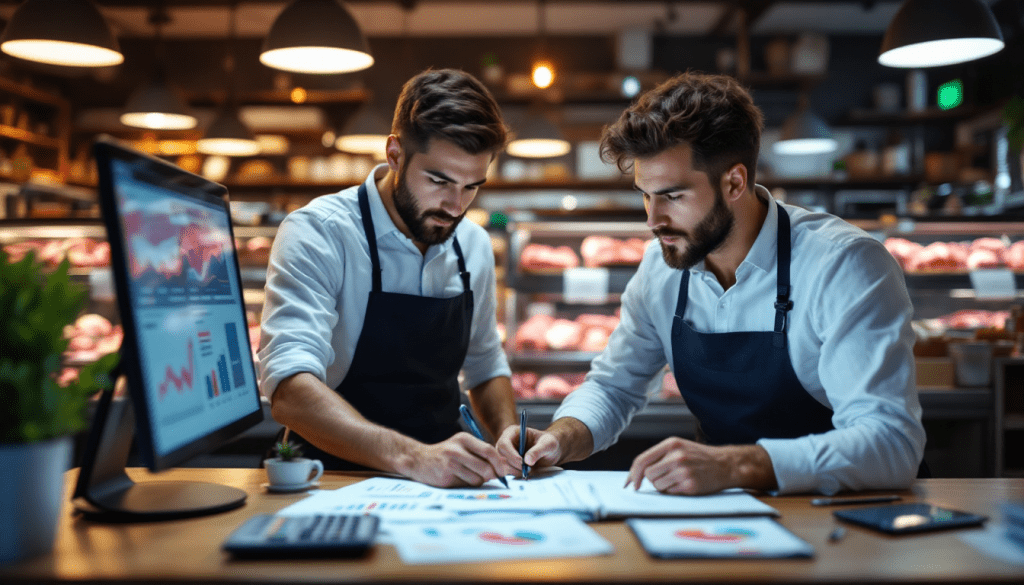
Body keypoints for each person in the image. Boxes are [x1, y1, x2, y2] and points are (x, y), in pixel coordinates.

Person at [498, 72, 925, 496]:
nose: (652, 219)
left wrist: (736, 463)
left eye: (673, 196)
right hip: (722, 515)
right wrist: (561, 437)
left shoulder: (843, 265)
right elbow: (614, 387)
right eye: (645, 195)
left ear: (734, 182)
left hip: (835, 517)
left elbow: (891, 443)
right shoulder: (660, 268)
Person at [258, 69, 518, 487]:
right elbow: (288, 389)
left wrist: (507, 435)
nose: (456, 205)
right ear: (395, 154)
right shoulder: (321, 232)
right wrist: (413, 458)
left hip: (445, 482)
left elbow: (485, 363)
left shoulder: (473, 244)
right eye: (439, 181)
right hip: (330, 476)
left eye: (472, 186)